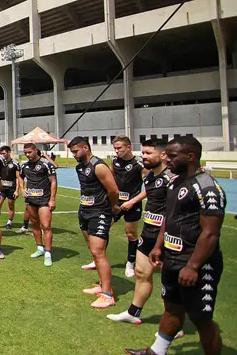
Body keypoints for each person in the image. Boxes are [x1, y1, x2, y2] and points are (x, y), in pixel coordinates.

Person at [124, 136, 225, 355]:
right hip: (172, 258)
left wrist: (193, 266)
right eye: (166, 155)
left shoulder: (207, 188)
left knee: (201, 319)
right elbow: (169, 218)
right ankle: (156, 351)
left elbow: (210, 233)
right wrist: (159, 246)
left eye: (172, 156)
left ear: (190, 157)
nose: (166, 160)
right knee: (172, 307)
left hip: (196, 263)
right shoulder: (176, 181)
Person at [107, 139, 185, 339]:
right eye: (143, 152)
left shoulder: (173, 178)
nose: (144, 156)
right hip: (149, 232)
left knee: (169, 282)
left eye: (149, 153)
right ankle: (133, 313)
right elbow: (148, 192)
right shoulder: (150, 176)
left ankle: (176, 324)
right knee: (142, 273)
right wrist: (133, 200)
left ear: (163, 155)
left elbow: (175, 211)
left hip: (168, 237)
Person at [69, 136, 119, 308]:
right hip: (84, 211)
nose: (74, 155)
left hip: (99, 213)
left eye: (75, 151)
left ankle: (107, 295)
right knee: (93, 250)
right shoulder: (79, 167)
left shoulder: (98, 166)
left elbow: (113, 190)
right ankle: (102, 285)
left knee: (98, 252)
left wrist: (111, 208)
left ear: (85, 147)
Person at [106, 135, 145, 278]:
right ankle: (98, 258)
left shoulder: (139, 164)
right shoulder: (114, 161)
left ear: (128, 147)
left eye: (119, 148)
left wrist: (132, 202)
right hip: (116, 203)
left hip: (132, 204)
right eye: (115, 148)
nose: (116, 151)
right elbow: (111, 180)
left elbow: (148, 189)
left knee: (131, 234)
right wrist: (113, 201)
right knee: (103, 228)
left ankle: (130, 263)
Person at [19, 143, 58, 267]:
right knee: (35, 225)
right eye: (25, 152)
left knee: (46, 226)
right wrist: (22, 188)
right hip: (31, 200)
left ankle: (48, 253)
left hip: (44, 200)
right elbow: (20, 176)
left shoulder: (46, 164)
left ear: (36, 150)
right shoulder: (24, 165)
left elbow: (53, 182)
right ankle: (40, 248)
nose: (27, 154)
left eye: (29, 152)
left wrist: (52, 199)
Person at [0, 146, 22, 230]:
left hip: (11, 188)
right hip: (2, 188)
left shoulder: (15, 163)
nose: (2, 155)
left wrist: (17, 190)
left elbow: (18, 177)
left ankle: (9, 222)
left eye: (3, 153)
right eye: (1, 153)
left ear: (8, 153)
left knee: (11, 205)